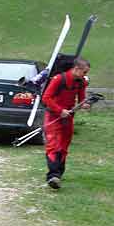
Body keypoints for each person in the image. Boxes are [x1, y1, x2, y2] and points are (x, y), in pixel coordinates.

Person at [41, 57, 91, 189]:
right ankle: (53, 176)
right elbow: (46, 98)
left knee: (64, 146)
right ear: (76, 69)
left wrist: (84, 105)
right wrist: (60, 110)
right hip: (53, 116)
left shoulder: (81, 82)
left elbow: (81, 99)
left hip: (68, 117)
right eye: (84, 72)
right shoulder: (58, 79)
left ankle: (59, 174)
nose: (85, 75)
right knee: (53, 145)